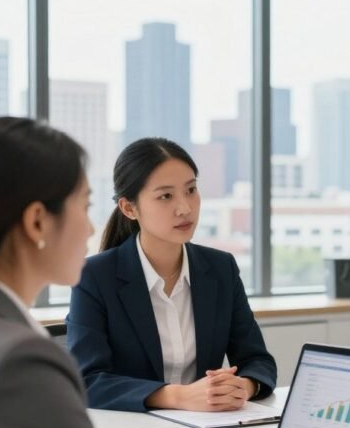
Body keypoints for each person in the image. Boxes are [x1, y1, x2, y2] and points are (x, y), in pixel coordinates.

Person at [0, 117, 281, 428]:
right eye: (83, 206)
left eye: (191, 190)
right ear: (36, 223)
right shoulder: (17, 359)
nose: (88, 228)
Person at [67, 138, 277, 412]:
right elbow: (88, 381)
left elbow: (258, 360)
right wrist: (176, 396)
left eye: (191, 190)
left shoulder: (220, 269)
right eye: (166, 196)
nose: (185, 208)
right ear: (129, 208)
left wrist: (244, 386)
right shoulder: (93, 277)